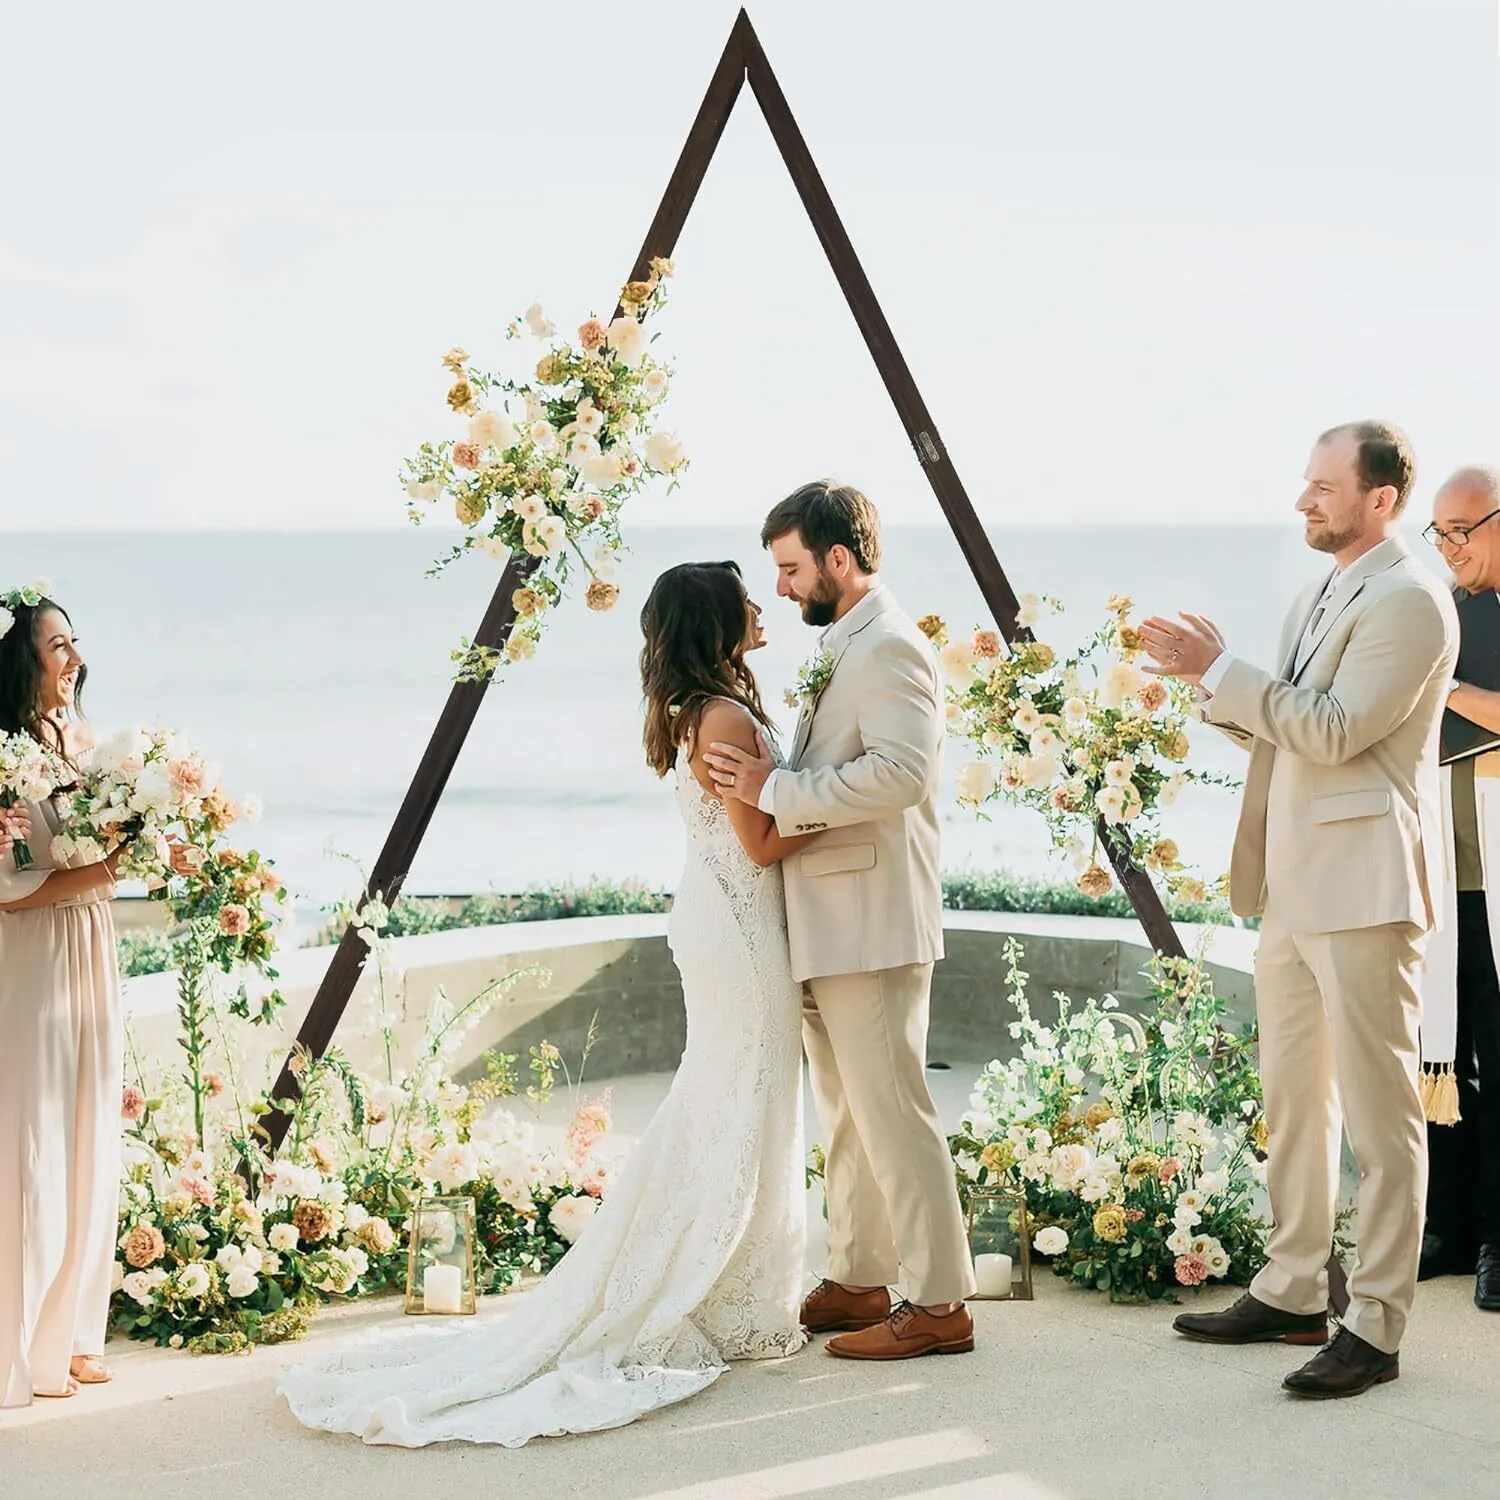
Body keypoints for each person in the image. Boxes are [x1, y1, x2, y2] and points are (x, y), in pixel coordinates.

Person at [279, 561, 811, 1447]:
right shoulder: (722, 715)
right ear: (716, 620)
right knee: (741, 1092)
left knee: (728, 1095)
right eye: (745, 597)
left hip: (724, 921)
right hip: (741, 930)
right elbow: (760, 844)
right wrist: (833, 806)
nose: (762, 606)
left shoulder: (700, 708)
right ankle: (713, 1288)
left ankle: (729, 1283)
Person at [1138, 422, 1458, 1399]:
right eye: (1306, 484)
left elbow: (1334, 731)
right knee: (1295, 1100)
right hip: (1293, 887)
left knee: (1381, 1118)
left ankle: (1376, 1325)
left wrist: (1226, 671)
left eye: (1324, 487)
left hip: (1364, 888)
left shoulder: (1412, 601)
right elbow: (1286, 733)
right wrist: (1211, 687)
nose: (1303, 501)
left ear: (1381, 499)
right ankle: (1290, 1289)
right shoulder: (1321, 592)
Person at [705, 480, 978, 1361]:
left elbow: (903, 774)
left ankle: (940, 1303)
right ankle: (860, 1276)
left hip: (872, 921)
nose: (780, 588)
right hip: (830, 921)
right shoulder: (848, 643)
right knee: (850, 1115)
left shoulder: (891, 646)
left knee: (893, 1112)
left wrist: (776, 790)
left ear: (837, 558)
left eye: (790, 569)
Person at [0, 591, 125, 1406]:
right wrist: (104, 872)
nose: (75, 659)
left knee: (91, 1136)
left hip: (92, 948)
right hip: (34, 958)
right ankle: (26, 1343)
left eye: (75, 642)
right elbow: (7, 890)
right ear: (22, 661)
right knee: (36, 1145)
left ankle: (77, 1333)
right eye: (57, 647)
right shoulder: (2, 758)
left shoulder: (82, 743)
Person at [1416, 465, 1500, 1312]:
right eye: (1437, 532)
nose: (1446, 546)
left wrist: (1445, 685)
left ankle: (1498, 1239)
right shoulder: (1441, 612)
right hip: (1447, 876)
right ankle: (1445, 1225)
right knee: (1439, 1053)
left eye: (1461, 529)